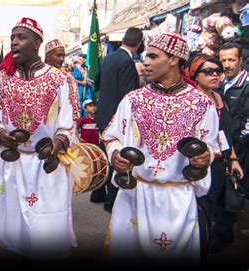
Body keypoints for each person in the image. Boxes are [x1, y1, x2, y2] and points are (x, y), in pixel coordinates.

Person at [102, 33, 219, 263]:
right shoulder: (132, 100)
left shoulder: (202, 104)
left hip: (178, 199)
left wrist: (206, 158)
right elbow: (110, 137)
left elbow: (212, 147)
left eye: (153, 56)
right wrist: (115, 156)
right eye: (146, 56)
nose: (145, 61)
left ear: (174, 59)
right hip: (135, 196)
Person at [0, 17, 76, 259]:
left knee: (47, 235)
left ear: (36, 43)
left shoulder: (58, 79)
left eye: (21, 37)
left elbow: (68, 124)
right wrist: (0, 134)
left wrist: (56, 145)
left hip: (48, 166)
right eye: (12, 38)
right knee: (15, 235)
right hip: (13, 164)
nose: (14, 43)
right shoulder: (1, 80)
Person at [187, 54, 244, 253]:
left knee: (214, 207)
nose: (215, 75)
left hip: (219, 162)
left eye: (218, 72)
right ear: (194, 74)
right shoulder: (189, 101)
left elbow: (224, 133)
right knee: (198, 209)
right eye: (208, 71)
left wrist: (233, 159)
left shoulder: (219, 98)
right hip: (197, 163)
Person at [93, 27, 144, 211]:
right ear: (139, 44)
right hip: (117, 118)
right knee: (118, 158)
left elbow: (97, 82)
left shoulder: (109, 58)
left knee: (104, 155)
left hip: (103, 114)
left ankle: (97, 192)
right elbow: (129, 96)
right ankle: (110, 201)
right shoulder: (126, 62)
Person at [218, 42, 249, 238]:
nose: (227, 64)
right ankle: (224, 230)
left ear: (241, 61)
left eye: (231, 60)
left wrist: (238, 144)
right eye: (223, 60)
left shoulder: (245, 85)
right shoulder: (220, 83)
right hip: (228, 145)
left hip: (242, 146)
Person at [44, 39, 80, 122]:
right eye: (58, 55)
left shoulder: (68, 78)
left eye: (63, 56)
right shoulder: (38, 77)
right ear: (48, 56)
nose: (62, 59)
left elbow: (74, 109)